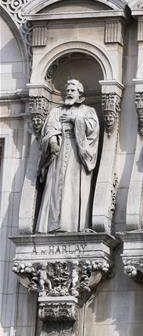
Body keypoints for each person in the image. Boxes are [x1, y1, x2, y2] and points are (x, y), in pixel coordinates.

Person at [36, 79, 100, 233]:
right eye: (68, 90)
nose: (69, 93)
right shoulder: (56, 111)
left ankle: (71, 225)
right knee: (55, 186)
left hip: (77, 152)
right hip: (58, 152)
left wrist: (75, 119)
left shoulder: (88, 110)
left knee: (72, 187)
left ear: (80, 93)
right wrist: (52, 140)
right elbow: (49, 128)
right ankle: (51, 225)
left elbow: (94, 130)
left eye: (73, 90)